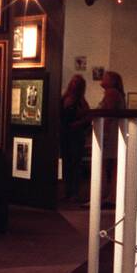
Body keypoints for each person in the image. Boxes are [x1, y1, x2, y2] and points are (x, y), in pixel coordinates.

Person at [59, 74, 90, 202]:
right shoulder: (64, 98)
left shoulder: (81, 101)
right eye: (73, 81)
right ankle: (68, 191)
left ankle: (75, 193)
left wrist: (79, 124)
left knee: (75, 164)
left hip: (76, 135)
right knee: (67, 163)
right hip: (65, 134)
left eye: (77, 82)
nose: (74, 84)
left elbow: (87, 118)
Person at [98, 70, 125, 206]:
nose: (102, 79)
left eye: (105, 77)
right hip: (115, 129)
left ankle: (108, 195)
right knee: (113, 163)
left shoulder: (112, 93)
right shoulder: (116, 93)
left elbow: (108, 114)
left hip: (112, 131)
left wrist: (105, 131)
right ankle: (111, 194)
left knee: (109, 164)